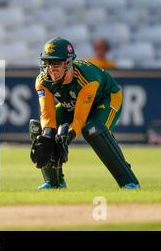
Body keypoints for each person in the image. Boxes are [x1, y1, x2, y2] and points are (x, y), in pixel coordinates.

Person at [29, 37, 140, 190]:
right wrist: (48, 135)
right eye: (47, 62)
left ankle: (129, 181)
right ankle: (54, 182)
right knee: (40, 129)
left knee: (94, 130)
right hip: (74, 103)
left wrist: (66, 138)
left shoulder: (87, 78)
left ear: (68, 63)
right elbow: (47, 114)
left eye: (55, 63)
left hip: (106, 99)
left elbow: (80, 120)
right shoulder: (42, 80)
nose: (51, 68)